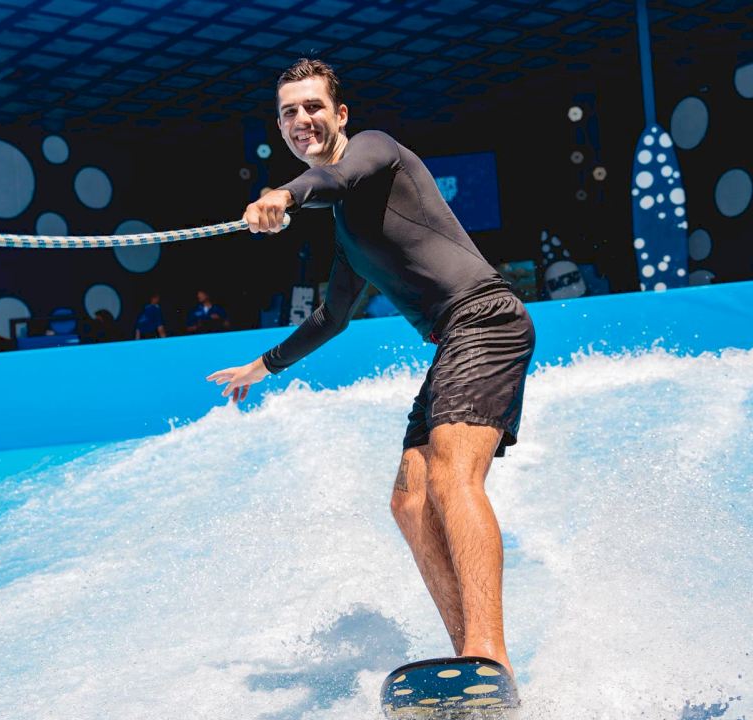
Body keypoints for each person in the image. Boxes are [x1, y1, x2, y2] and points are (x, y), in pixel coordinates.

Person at [206, 59, 535, 675]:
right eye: (289, 112)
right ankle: (468, 663)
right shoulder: (349, 232)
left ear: (340, 114)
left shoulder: (375, 150)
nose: (302, 119)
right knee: (410, 501)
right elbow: (332, 317)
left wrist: (282, 194)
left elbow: (337, 176)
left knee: (451, 478)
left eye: (313, 107)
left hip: (486, 320)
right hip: (453, 341)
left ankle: (490, 655)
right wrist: (264, 366)